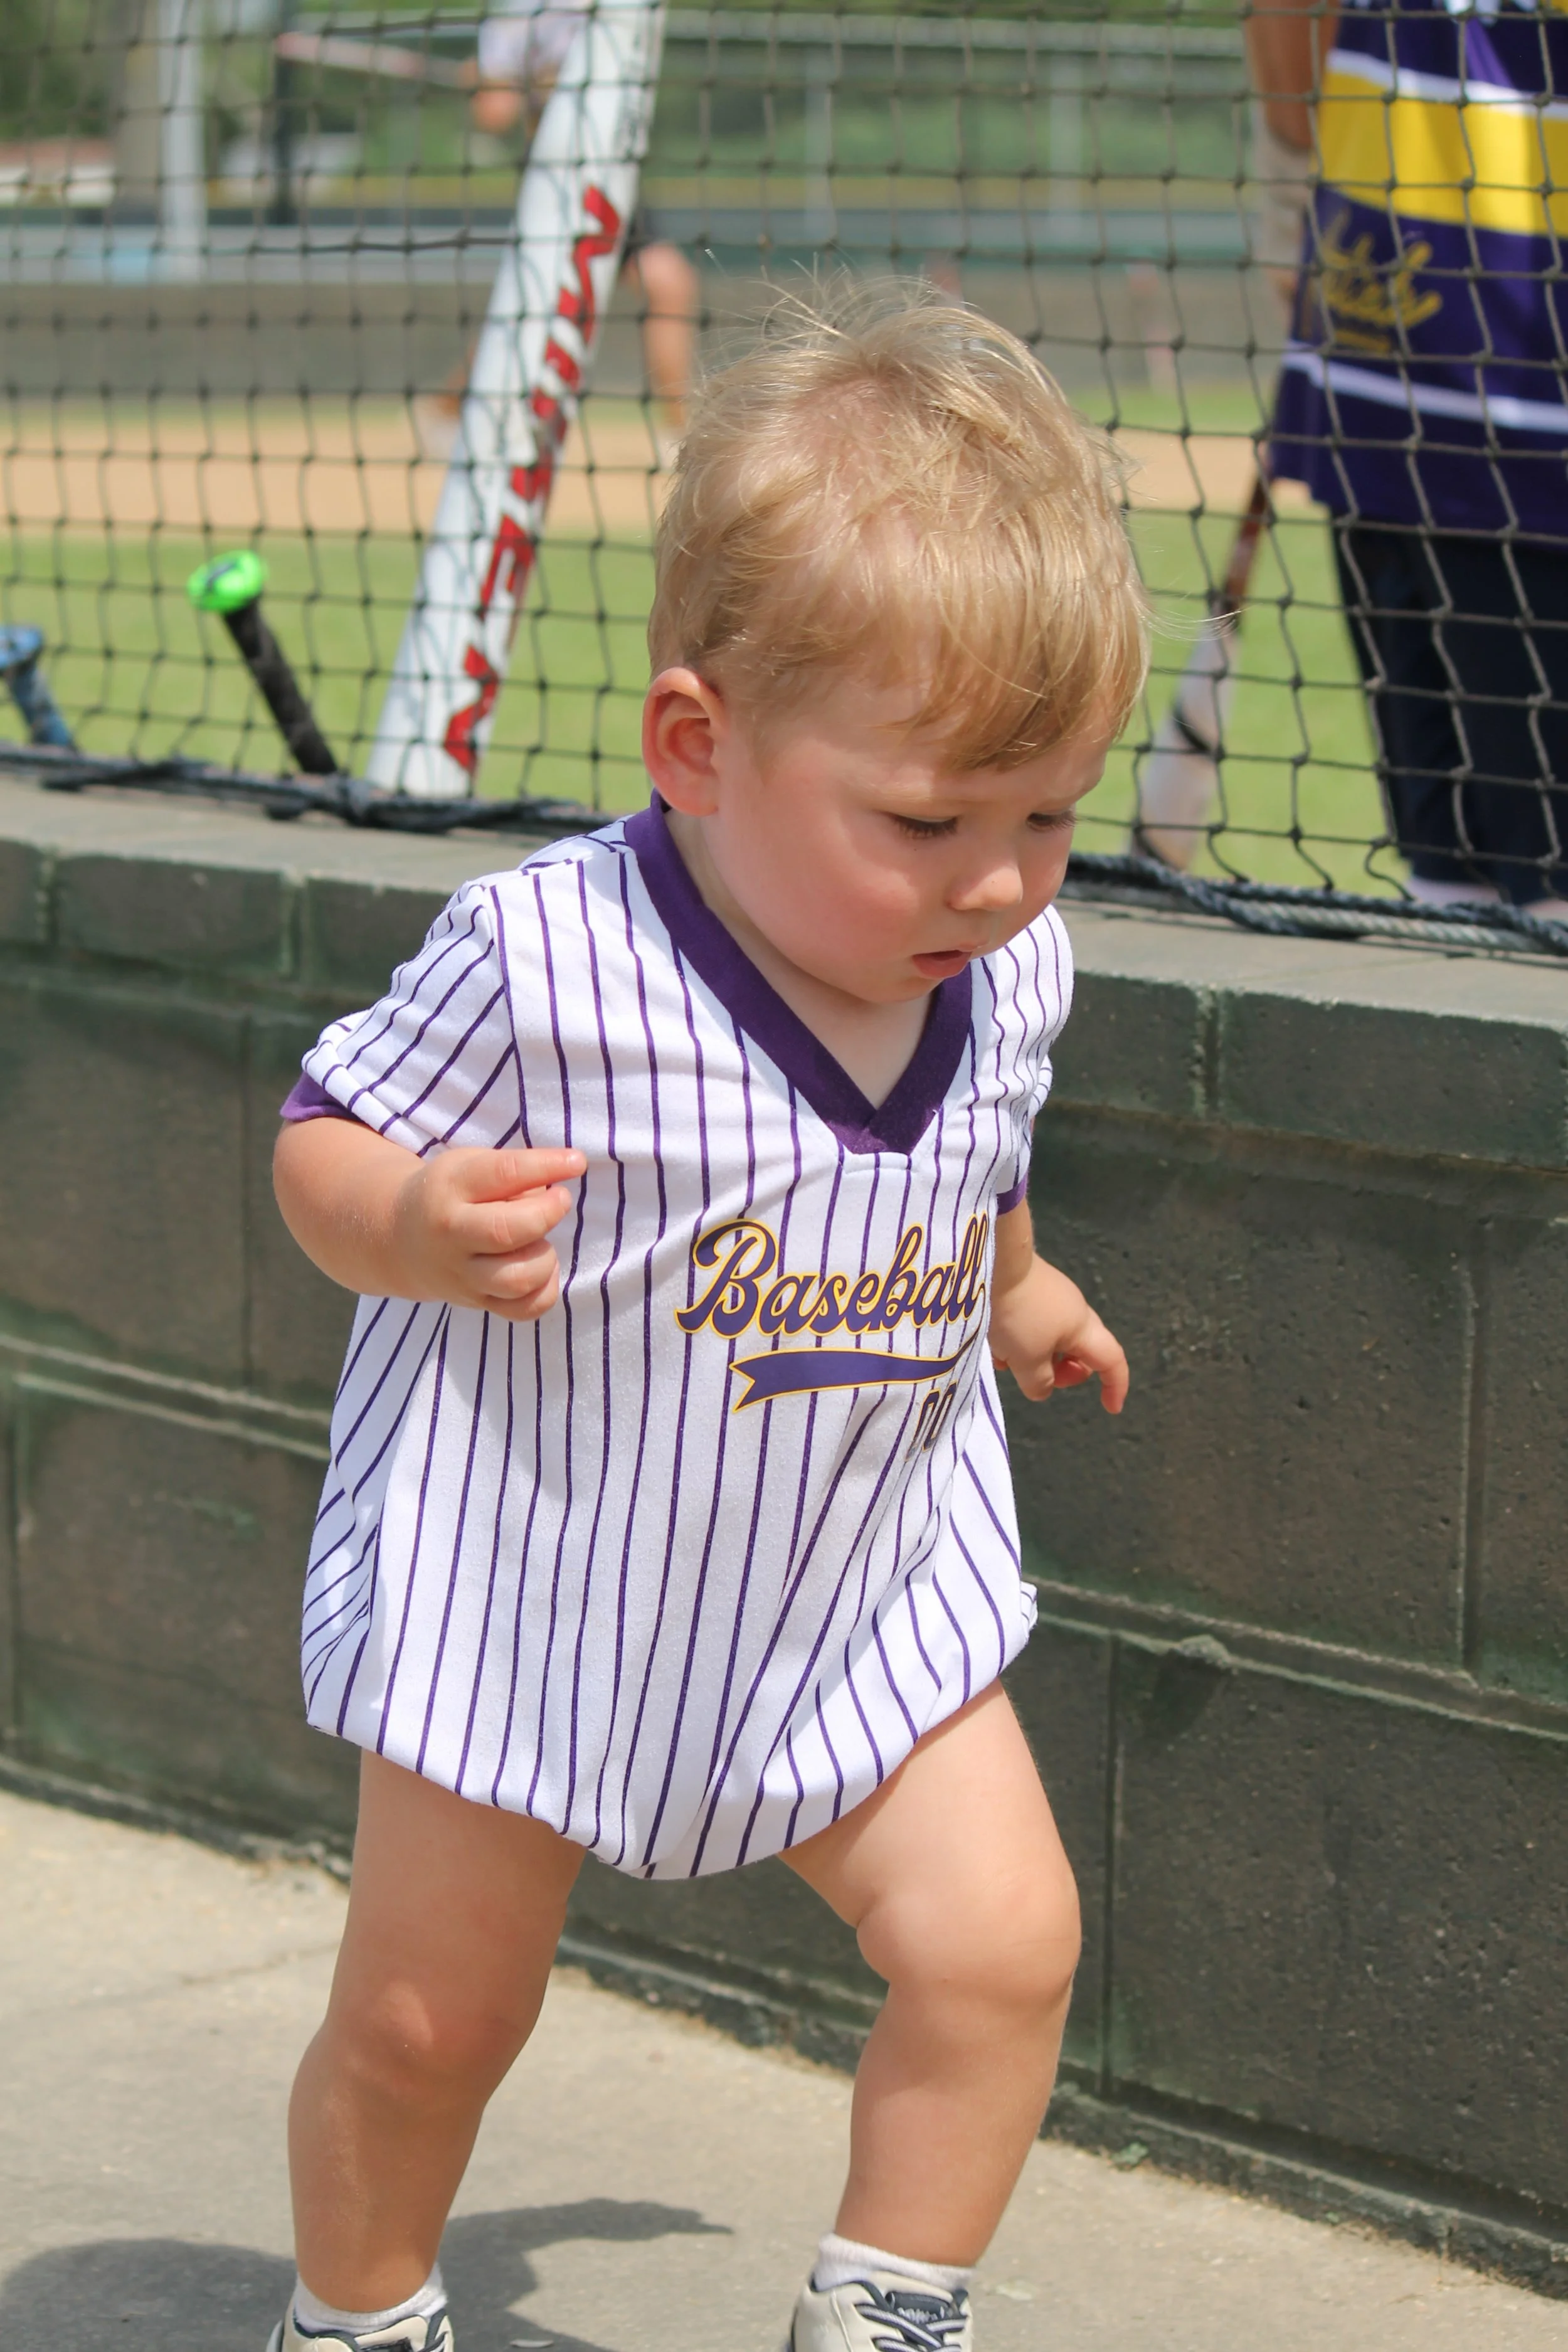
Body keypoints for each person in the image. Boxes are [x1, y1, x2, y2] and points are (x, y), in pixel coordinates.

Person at [266, 282, 1147, 2352]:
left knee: (1006, 1946)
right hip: (542, 1589)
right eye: (930, 821)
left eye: (1048, 817)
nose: (1000, 882)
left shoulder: (1006, 965)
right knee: (422, 2023)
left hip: (848, 1592)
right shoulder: (547, 960)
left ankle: (885, 2312)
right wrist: (407, 1215)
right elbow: (320, 1144)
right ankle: (360, 2315)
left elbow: (982, 1144)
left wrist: (1015, 1288)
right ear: (699, 749)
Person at [1253, 0, 1568, 918]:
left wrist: (1287, 196)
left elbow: (1289, 55)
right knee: (1517, 882)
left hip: (1375, 304)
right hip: (1508, 366)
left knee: (1454, 864)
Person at [469, 0, 699, 423]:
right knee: (536, 308)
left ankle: (445, 411)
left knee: (662, 285)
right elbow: (494, 115)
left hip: (613, 164)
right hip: (557, 175)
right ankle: (450, 411)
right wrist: (500, 88)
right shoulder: (519, 12)